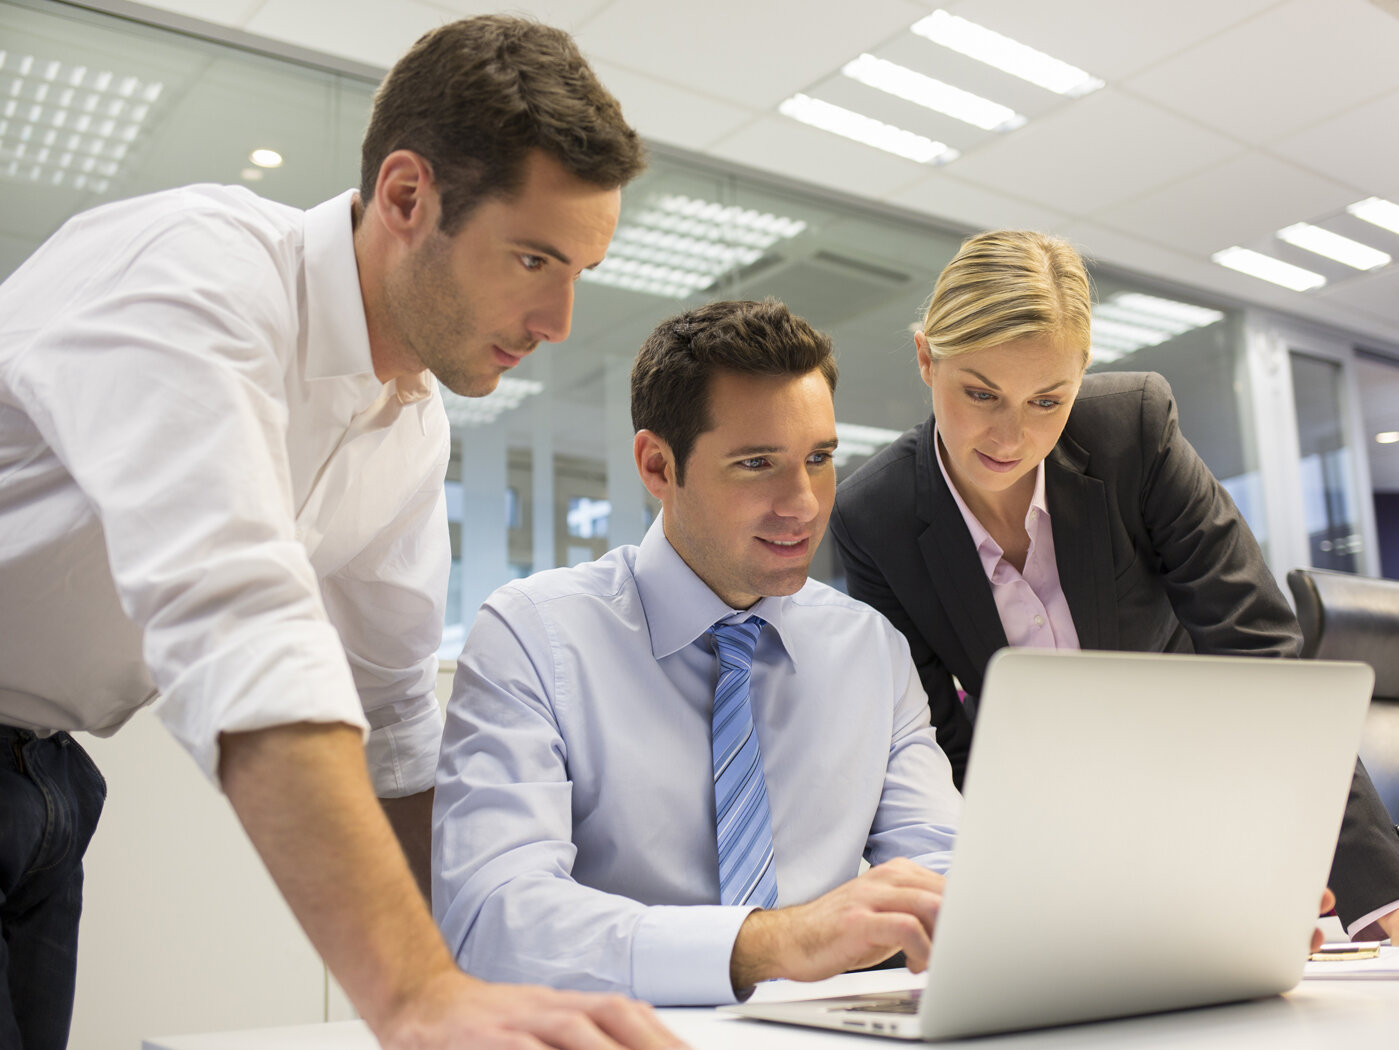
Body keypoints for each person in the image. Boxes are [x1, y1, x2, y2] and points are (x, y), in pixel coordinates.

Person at [0, 16, 683, 1050]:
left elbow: (392, 717)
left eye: (578, 270)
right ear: (406, 198)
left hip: (46, 780)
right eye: (533, 258)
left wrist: (472, 983)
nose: (558, 321)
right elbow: (236, 625)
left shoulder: (408, 422)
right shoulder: (197, 275)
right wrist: (412, 997)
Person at [828, 229, 1399, 943]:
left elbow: (1259, 657)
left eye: (1047, 400)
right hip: (1042, 840)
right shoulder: (873, 517)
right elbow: (939, 744)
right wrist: (1017, 901)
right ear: (925, 359)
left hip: (1208, 793)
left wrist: (1379, 899)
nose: (1010, 437)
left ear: (1081, 375)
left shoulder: (1133, 431)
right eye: (980, 393)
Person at [432, 299, 962, 1005]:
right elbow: (492, 920)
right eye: (756, 463)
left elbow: (944, 869)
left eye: (819, 459)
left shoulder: (870, 651)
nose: (803, 504)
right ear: (657, 466)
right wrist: (770, 943)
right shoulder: (533, 637)